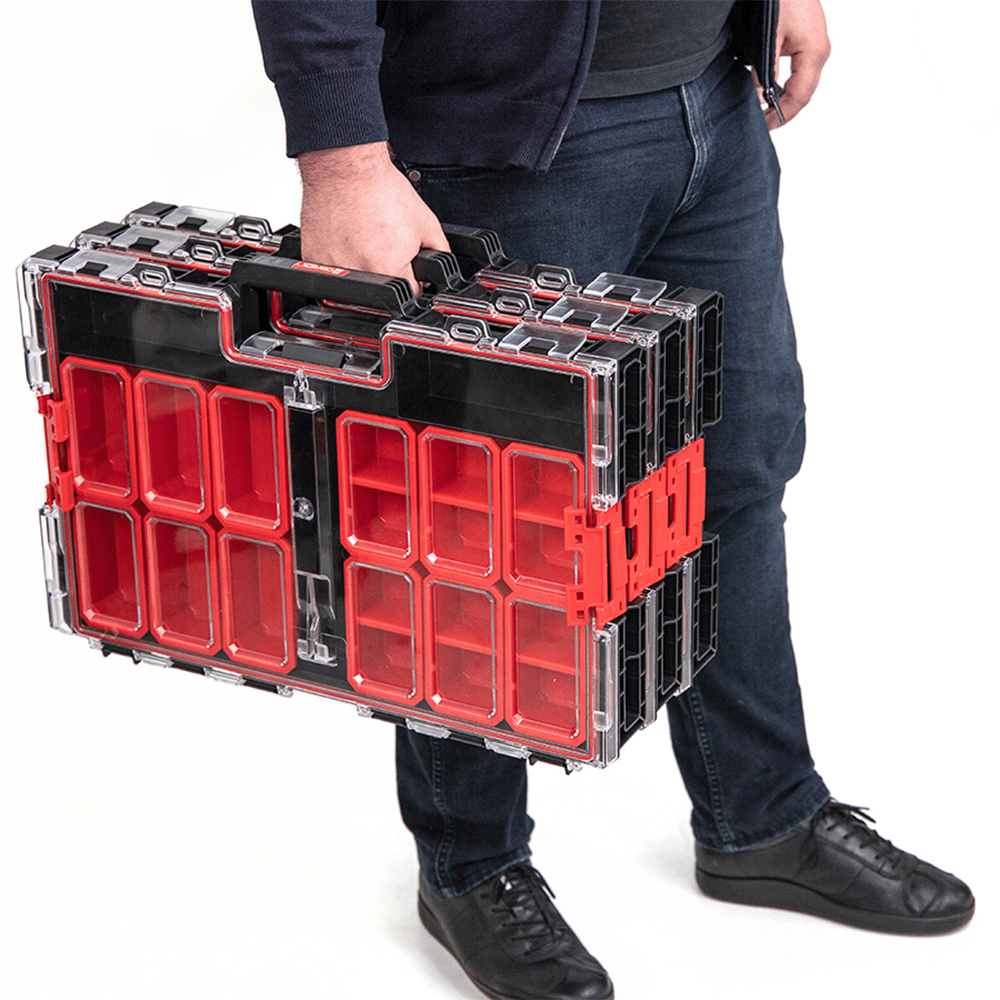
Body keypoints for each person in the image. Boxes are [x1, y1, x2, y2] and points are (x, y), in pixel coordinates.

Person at [251, 3, 975, 997]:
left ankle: (761, 813)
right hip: (510, 139)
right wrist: (342, 161)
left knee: (737, 469)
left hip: (715, 98)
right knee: (482, 524)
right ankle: (471, 865)